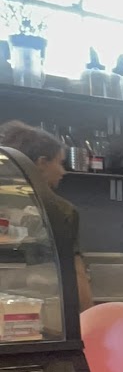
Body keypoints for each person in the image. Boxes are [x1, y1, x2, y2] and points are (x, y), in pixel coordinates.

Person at [0, 121, 93, 311]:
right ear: (42, 163)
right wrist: (88, 319)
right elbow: (75, 276)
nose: (63, 171)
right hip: (36, 314)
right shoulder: (59, 210)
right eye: (59, 162)